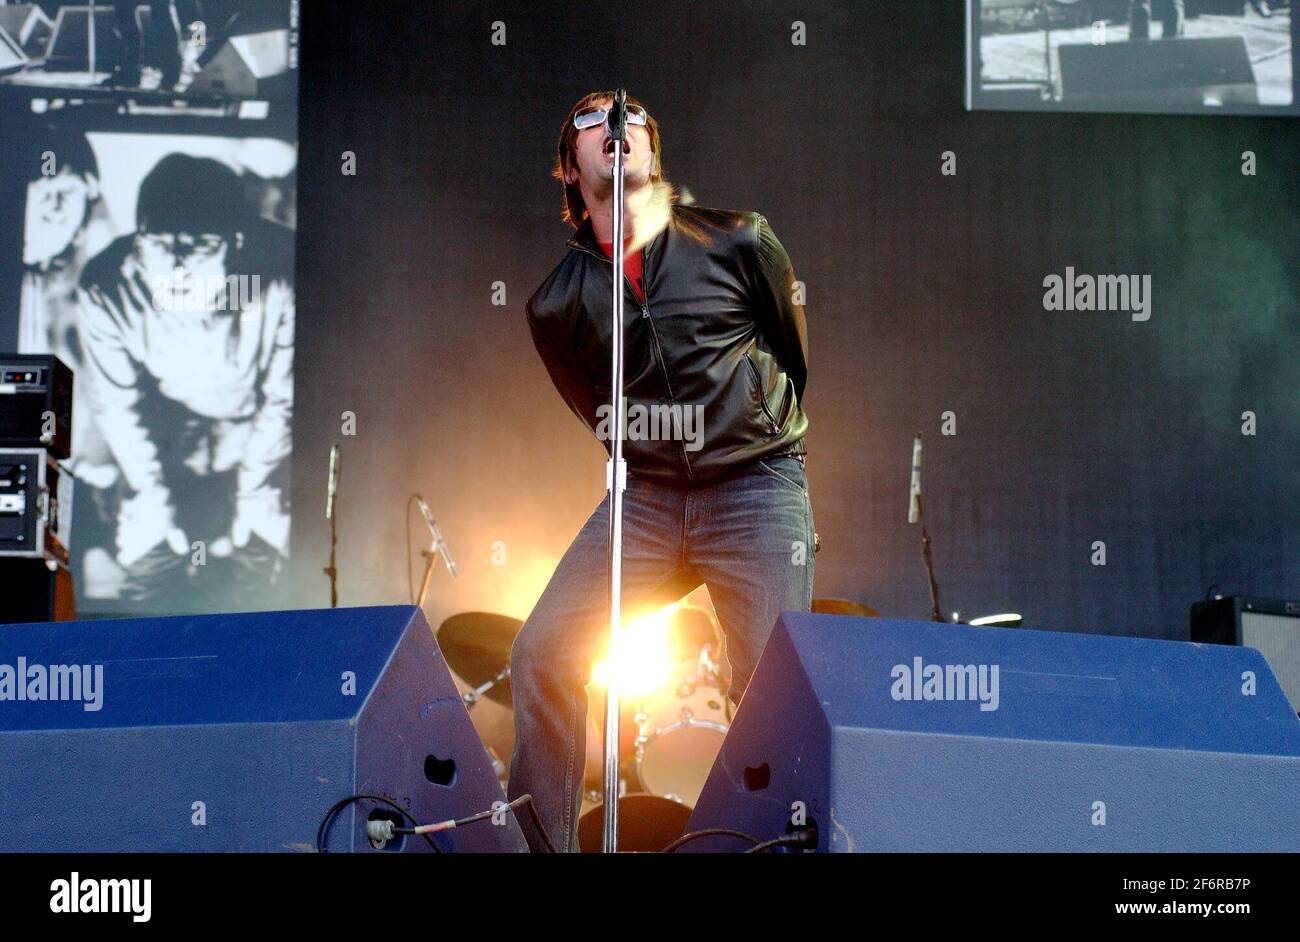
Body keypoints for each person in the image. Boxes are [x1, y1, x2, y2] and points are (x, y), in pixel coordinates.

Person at [506, 91, 815, 852]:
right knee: (540, 653)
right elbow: (599, 413)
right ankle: (541, 847)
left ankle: (774, 845)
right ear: (570, 168)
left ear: (652, 149)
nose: (613, 122)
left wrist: (755, 434)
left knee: (777, 693)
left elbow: (791, 359)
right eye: (589, 117)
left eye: (630, 114)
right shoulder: (559, 303)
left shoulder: (741, 240)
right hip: (644, 500)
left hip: (755, 484)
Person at [76, 153, 294, 607]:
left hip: (261, 430)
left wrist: (253, 489)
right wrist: (152, 494)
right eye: (158, 244)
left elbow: (283, 399)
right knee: (147, 560)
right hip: (163, 434)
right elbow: (117, 404)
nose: (175, 267)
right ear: (138, 238)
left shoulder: (281, 272)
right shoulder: (105, 284)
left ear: (235, 243)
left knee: (263, 559)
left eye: (196, 246)